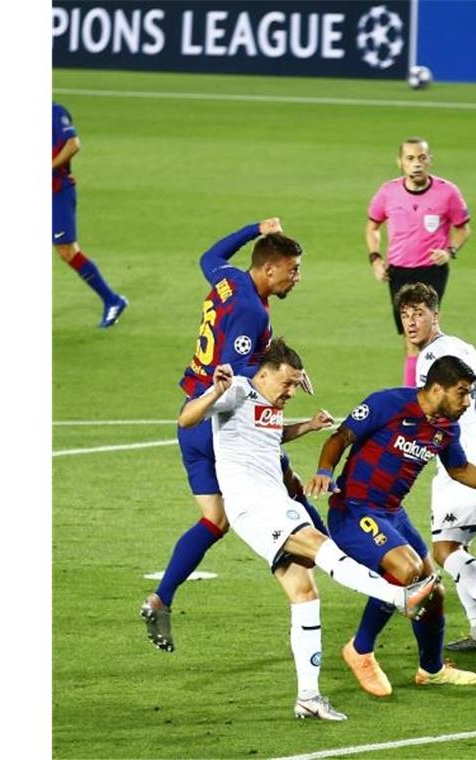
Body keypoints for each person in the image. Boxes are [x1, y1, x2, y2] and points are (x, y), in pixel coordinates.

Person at [179, 339, 437, 720]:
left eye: (295, 386)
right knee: (323, 547)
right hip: (255, 503)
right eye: (286, 384)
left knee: (305, 593)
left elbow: (272, 434)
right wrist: (214, 391)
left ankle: (308, 696)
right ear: (263, 374)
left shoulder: (265, 406)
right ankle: (399, 598)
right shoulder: (236, 390)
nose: (290, 392)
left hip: (272, 501)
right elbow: (187, 418)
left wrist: (309, 426)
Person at [306, 355, 476, 697]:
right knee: (406, 571)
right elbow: (341, 437)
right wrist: (325, 471)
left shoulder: (447, 428)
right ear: (436, 388)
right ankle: (360, 649)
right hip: (353, 510)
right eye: (462, 393)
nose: (468, 402)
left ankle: (431, 670)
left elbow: (460, 470)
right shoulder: (388, 403)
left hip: (391, 514)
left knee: (432, 592)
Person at [141, 219, 315, 652]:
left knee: (214, 521)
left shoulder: (231, 278)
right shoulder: (252, 312)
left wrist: (254, 228)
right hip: (223, 424)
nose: (296, 278)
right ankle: (364, 572)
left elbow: (208, 256)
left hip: (191, 418)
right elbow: (232, 374)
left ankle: (161, 598)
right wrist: (280, 383)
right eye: (292, 269)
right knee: (291, 491)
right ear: (270, 269)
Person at [395, 283, 476, 659]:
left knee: (443, 550)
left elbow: (427, 413)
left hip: (460, 459)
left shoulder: (431, 358)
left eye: (419, 313)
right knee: (457, 548)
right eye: (405, 315)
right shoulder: (463, 347)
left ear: (437, 315)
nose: (411, 322)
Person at [365, 137, 471, 387]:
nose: (417, 164)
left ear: (430, 160)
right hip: (399, 273)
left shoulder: (447, 192)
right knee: (411, 338)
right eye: (410, 158)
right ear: (400, 162)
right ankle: (417, 393)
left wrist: (450, 250)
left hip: (432, 272)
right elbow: (372, 227)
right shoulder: (387, 192)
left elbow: (463, 228)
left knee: (425, 333)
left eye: (422, 158)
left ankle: (422, 390)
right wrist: (375, 258)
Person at [52, 101, 127, 327]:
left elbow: (73, 144)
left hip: (56, 191)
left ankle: (112, 300)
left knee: (67, 251)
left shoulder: (53, 112)